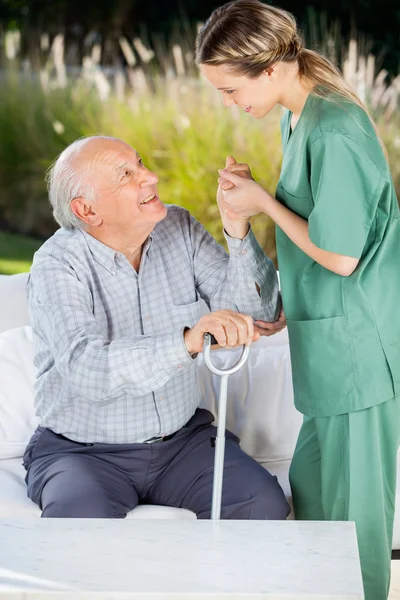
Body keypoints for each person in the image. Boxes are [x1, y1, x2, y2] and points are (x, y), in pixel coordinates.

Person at [196, 1, 400, 598]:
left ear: (270, 68)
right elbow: (321, 227)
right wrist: (289, 299)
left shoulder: (334, 127)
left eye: (232, 90)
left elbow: (341, 256)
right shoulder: (300, 113)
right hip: (329, 342)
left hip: (356, 351)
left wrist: (260, 202)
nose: (232, 104)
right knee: (314, 496)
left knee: (351, 523)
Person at [23, 135, 290, 522]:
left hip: (183, 446)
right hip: (81, 452)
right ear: (87, 210)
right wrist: (186, 342)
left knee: (262, 505)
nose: (150, 177)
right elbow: (88, 368)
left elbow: (261, 315)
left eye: (141, 163)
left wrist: (237, 226)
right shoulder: (57, 264)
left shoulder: (178, 227)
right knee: (77, 525)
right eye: (126, 175)